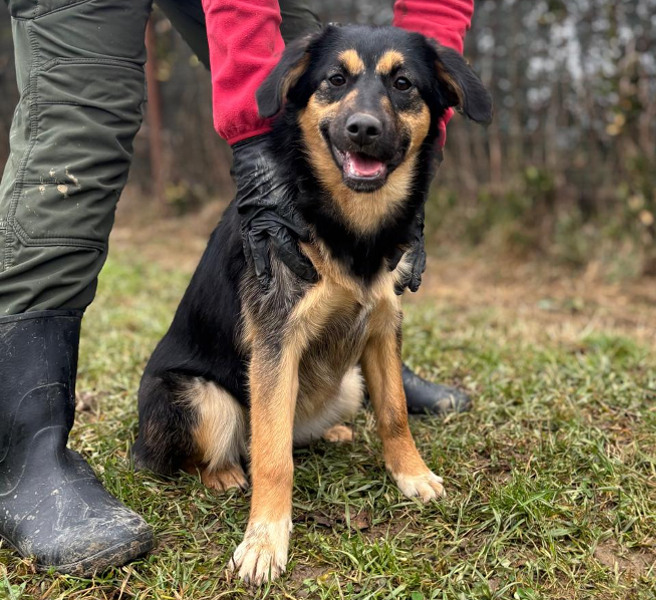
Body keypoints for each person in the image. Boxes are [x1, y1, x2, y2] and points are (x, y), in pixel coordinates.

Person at [0, 0, 475, 575]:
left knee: (313, 48)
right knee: (78, 122)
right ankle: (23, 452)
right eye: (342, 85)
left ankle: (352, 377)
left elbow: (429, 25)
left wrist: (426, 112)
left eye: (400, 87)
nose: (365, 117)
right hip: (210, 387)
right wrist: (254, 144)